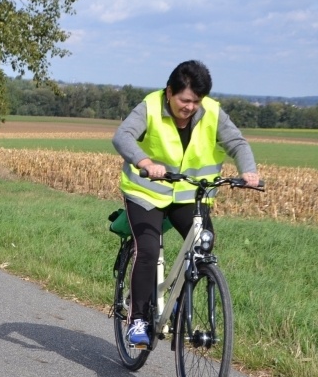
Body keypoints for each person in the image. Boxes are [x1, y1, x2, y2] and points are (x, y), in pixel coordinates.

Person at [112, 60, 261, 347]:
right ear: (169, 92)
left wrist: (248, 172)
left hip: (188, 195)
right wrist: (145, 162)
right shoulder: (151, 106)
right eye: (185, 100)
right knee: (148, 248)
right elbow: (123, 136)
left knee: (204, 244)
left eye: (196, 101)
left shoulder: (213, 112)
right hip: (147, 192)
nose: (191, 106)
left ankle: (181, 305)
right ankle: (139, 318)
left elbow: (237, 143)